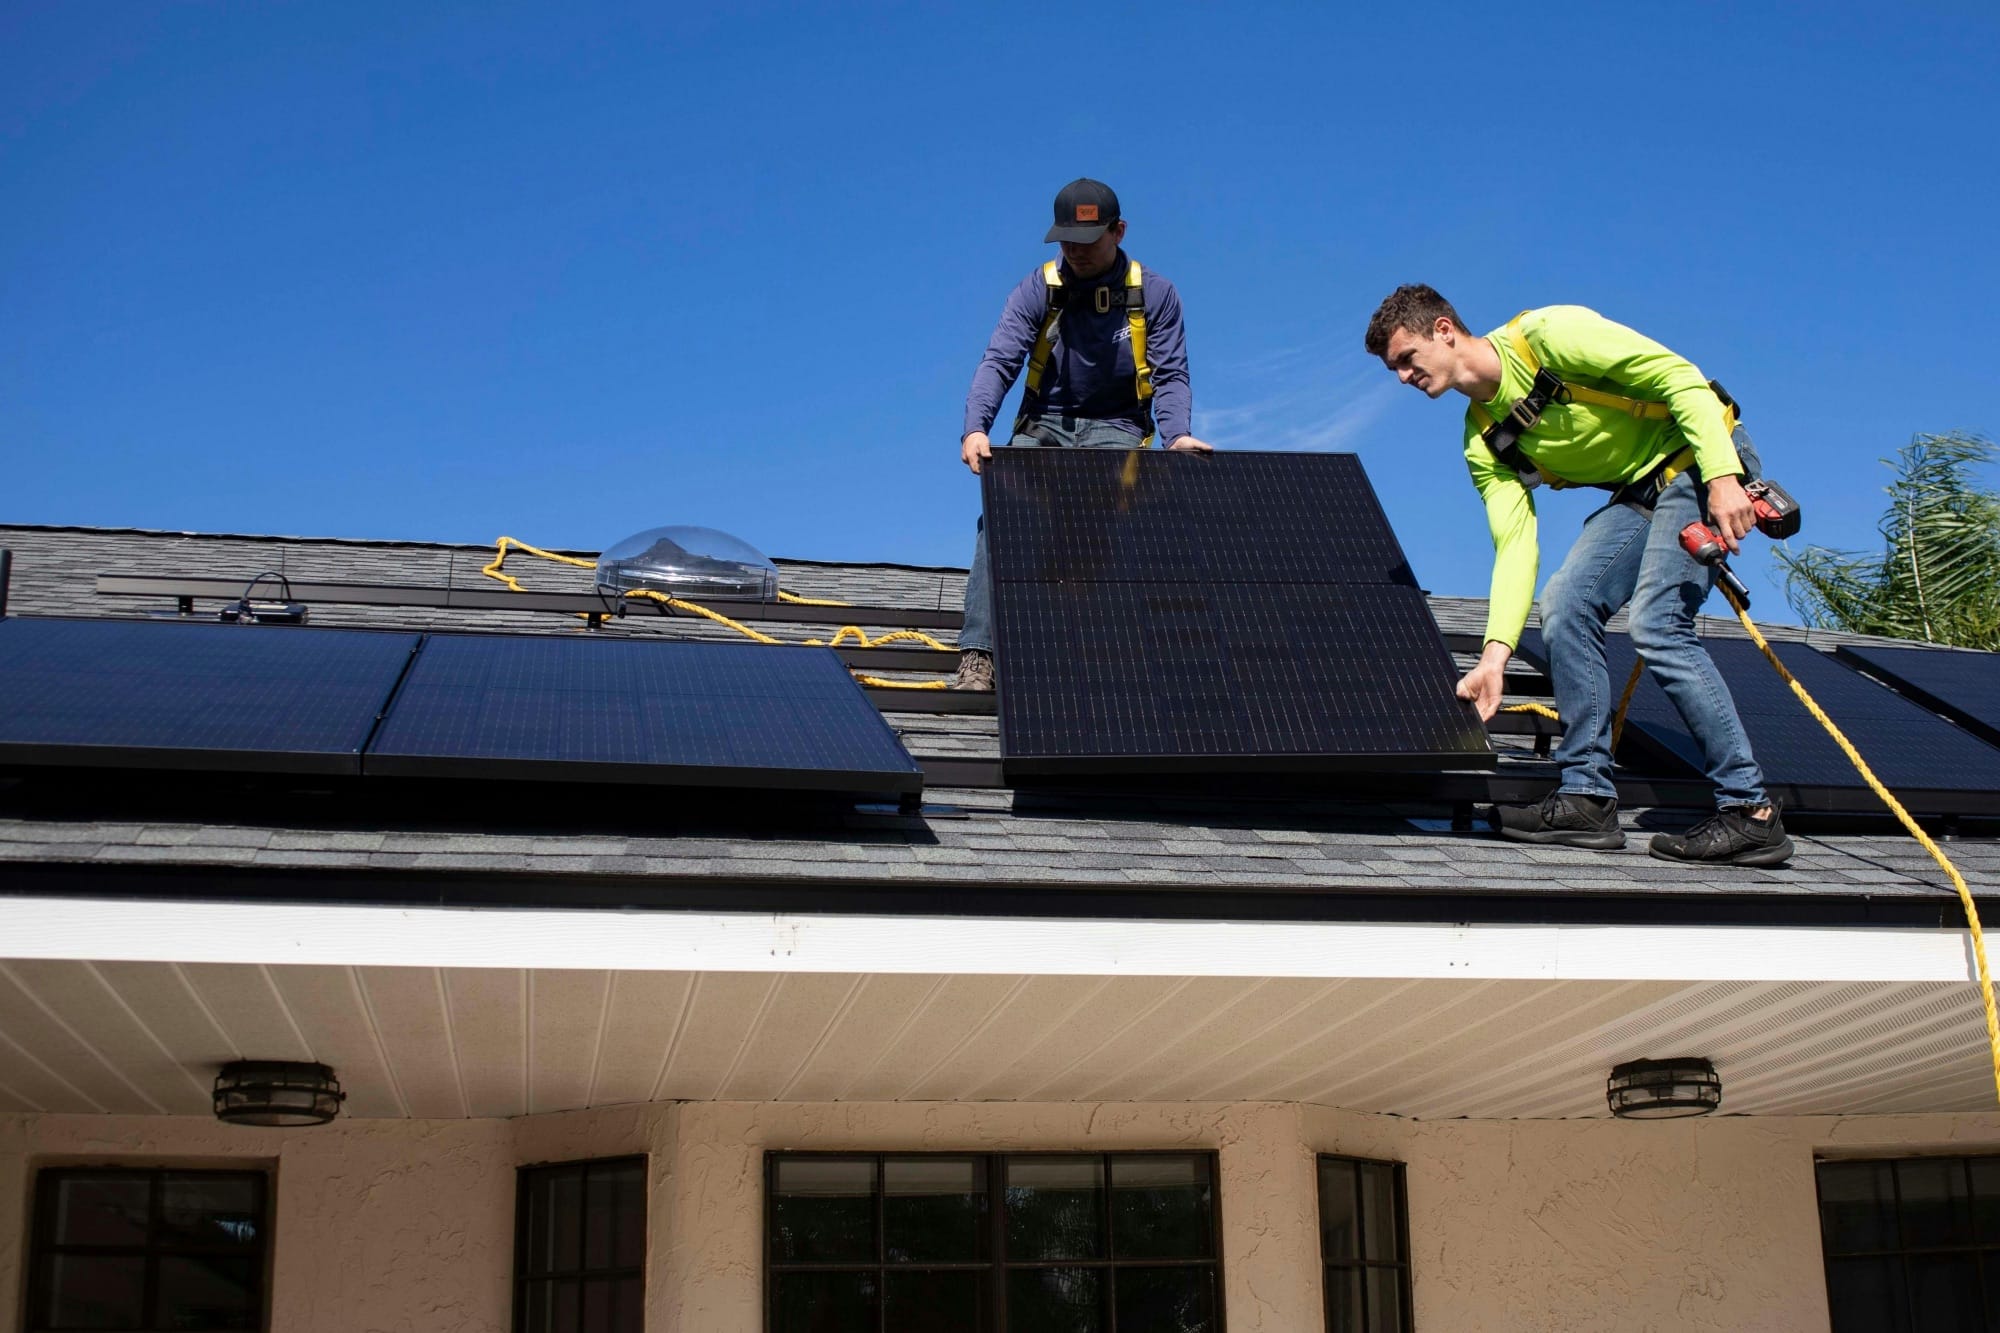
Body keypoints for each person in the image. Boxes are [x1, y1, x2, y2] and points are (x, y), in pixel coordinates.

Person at [1363, 285, 1794, 866]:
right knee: (1565, 604)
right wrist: (1494, 658)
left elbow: (1682, 380)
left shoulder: (1547, 337)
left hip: (1697, 457)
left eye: (1406, 359)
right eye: (1394, 369)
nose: (1402, 378)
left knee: (1657, 624)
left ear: (1444, 330)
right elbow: (1515, 545)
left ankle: (1750, 811)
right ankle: (1587, 796)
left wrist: (1722, 477)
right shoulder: (1484, 440)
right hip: (1640, 493)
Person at [953, 178, 1211, 691]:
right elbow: (1000, 360)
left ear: (1118, 231)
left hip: (1117, 426)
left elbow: (1171, 374)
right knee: (1001, 515)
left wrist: (1177, 435)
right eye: (1066, 241)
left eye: (1087, 242)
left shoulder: (1153, 293)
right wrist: (976, 428)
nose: (1075, 252)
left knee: (1114, 513)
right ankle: (979, 655)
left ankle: (1113, 651)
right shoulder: (1038, 288)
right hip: (1045, 422)